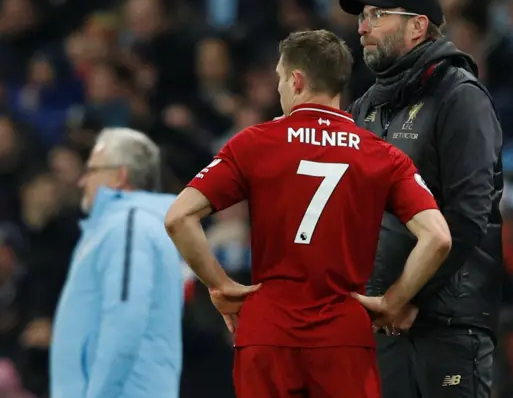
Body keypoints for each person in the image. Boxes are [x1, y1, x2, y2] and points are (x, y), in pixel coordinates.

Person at [164, 29, 452, 398]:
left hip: (267, 330)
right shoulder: (383, 156)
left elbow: (179, 217)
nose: (281, 88)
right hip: (343, 333)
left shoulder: (255, 142)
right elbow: (438, 237)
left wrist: (220, 285)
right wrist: (393, 301)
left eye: (281, 78)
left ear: (296, 80)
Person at [339, 0, 503, 398]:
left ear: (417, 26)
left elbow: (469, 216)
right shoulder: (366, 106)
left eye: (376, 15)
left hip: (447, 322)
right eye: (362, 17)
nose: (362, 27)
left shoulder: (460, 96)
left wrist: (406, 296)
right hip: (383, 320)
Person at [50, 128, 183, 398]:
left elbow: (126, 318)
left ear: (120, 175)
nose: (82, 181)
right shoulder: (116, 226)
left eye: (92, 170)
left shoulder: (130, 224)